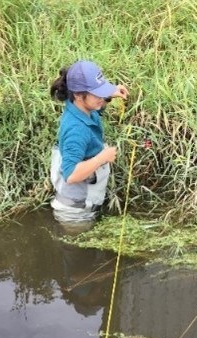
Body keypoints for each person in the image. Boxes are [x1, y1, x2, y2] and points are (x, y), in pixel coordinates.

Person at [49, 60, 129, 224]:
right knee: (78, 248)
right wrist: (102, 157)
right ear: (78, 95)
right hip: (75, 213)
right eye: (97, 94)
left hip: (85, 202)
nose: (102, 98)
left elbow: (96, 103)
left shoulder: (82, 107)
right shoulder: (76, 130)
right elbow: (70, 175)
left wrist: (110, 93)